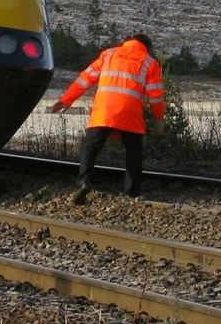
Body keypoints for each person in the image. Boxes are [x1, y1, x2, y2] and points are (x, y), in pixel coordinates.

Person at [49, 33, 165, 203]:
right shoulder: (149, 62)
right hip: (130, 112)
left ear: (126, 43)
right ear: (147, 47)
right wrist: (159, 119)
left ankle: (83, 181)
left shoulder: (108, 54)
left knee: (91, 147)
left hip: (104, 110)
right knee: (134, 152)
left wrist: (67, 99)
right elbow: (156, 95)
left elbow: (85, 79)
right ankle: (131, 192)